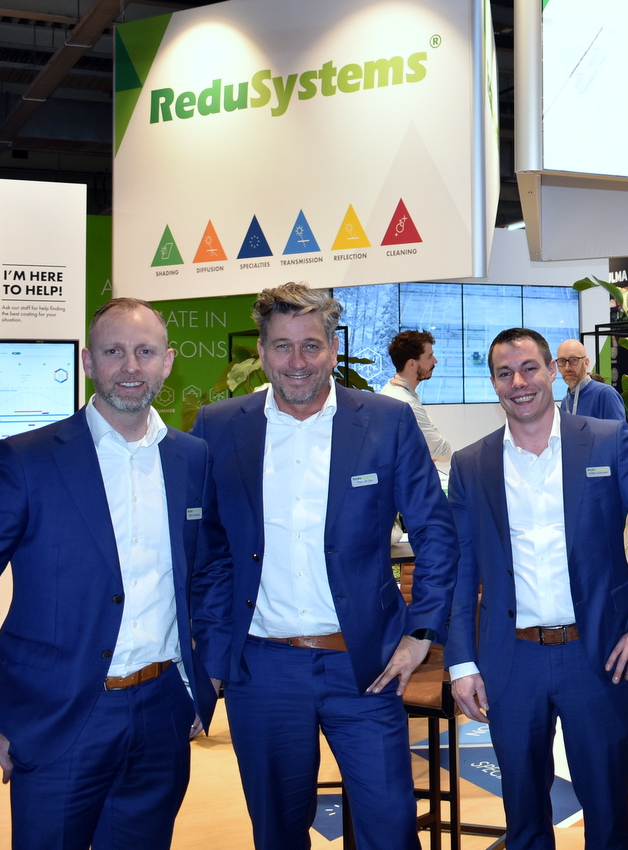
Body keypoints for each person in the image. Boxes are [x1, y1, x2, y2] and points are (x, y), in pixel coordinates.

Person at [0, 298, 227, 850]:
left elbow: (208, 574)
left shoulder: (192, 457)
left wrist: (205, 679)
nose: (130, 366)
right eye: (114, 352)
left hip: (163, 712)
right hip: (57, 717)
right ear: (88, 362)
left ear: (167, 362)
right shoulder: (27, 460)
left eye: (145, 352)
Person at [191, 282, 457, 850]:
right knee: (278, 833)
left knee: (391, 829)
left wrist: (421, 633)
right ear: (261, 351)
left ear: (333, 349)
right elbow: (208, 552)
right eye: (282, 346)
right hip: (261, 668)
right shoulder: (219, 426)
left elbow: (436, 532)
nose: (297, 361)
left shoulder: (386, 421)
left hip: (365, 666)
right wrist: (212, 654)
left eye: (311, 345)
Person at [446, 327, 628, 850]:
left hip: (596, 656)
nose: (519, 382)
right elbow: (461, 569)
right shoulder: (472, 464)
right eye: (505, 373)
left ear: (553, 371)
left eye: (529, 368)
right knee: (524, 815)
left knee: (606, 809)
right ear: (494, 383)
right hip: (510, 662)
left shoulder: (608, 439)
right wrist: (461, 662)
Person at [379, 329, 452, 465]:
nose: (435, 361)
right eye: (429, 357)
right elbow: (443, 451)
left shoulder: (396, 391)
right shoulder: (406, 403)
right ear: (412, 364)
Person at [556, 338, 626, 420]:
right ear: (558, 367)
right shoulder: (566, 402)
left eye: (574, 360)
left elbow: (618, 428)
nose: (567, 367)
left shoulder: (606, 394)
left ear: (586, 363)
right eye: (562, 361)